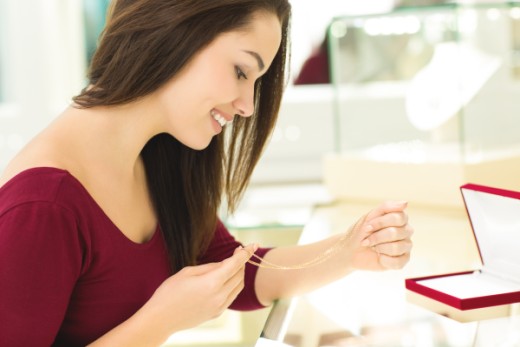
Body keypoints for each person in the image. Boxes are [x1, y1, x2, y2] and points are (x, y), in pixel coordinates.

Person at [0, 0, 413, 346]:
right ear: (176, 31)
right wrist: (161, 320)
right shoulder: (44, 206)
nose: (248, 105)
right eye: (240, 71)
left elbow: (233, 271)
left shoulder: (157, 155)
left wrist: (347, 252)